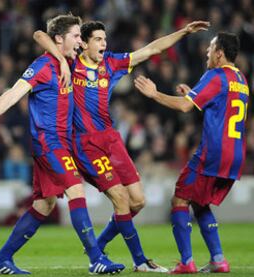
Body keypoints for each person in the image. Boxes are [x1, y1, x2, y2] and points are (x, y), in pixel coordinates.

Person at [34, 20, 209, 272]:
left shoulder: (111, 63)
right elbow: (40, 34)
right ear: (82, 42)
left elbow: (151, 50)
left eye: (105, 39)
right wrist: (61, 60)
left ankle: (99, 243)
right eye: (98, 39)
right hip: (86, 143)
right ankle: (140, 261)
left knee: (138, 201)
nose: (104, 44)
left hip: (111, 139)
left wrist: (183, 32)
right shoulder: (72, 63)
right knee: (121, 200)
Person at [0, 14, 125, 275]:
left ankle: (0, 260)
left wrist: (62, 60)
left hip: (62, 143)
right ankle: (96, 258)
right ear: (59, 39)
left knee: (44, 205)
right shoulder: (43, 66)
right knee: (76, 190)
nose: (80, 41)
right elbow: (13, 91)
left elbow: (43, 36)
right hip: (49, 142)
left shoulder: (70, 61)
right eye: (76, 36)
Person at [134, 32, 248, 274]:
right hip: (236, 154)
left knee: (179, 198)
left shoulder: (216, 75)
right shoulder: (241, 78)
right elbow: (219, 110)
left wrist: (155, 94)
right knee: (199, 201)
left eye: (211, 47)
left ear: (219, 53)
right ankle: (218, 260)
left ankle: (186, 262)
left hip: (213, 152)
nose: (207, 52)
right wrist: (193, 95)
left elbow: (185, 107)